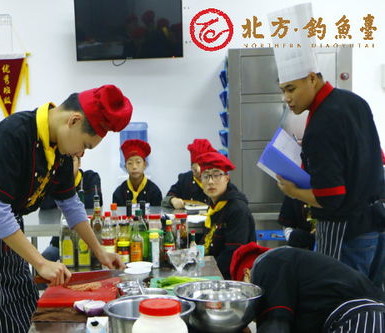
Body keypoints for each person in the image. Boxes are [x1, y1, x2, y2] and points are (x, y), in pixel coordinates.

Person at [0, 84, 132, 333]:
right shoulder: (15, 132)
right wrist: (40, 262)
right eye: (85, 145)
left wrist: (99, 250)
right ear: (73, 120)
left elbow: (70, 204)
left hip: (13, 237)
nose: (81, 152)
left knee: (24, 317)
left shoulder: (58, 150)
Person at [268, 4, 384, 286]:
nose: (287, 98)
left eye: (291, 89)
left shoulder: (321, 124)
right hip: (376, 224)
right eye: (283, 90)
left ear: (312, 78)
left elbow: (331, 197)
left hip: (347, 233)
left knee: (339, 303)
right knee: (371, 304)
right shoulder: (353, 101)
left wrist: (292, 190)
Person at [230, 242, 385, 333]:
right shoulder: (294, 275)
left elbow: (275, 324)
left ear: (247, 274)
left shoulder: (267, 263)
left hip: (360, 316)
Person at [195, 151, 256, 279]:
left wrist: (203, 272)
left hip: (230, 278)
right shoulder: (215, 205)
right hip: (214, 272)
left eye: (217, 175)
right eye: (206, 176)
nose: (211, 182)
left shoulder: (236, 209)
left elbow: (233, 254)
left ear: (227, 179)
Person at [41, 155, 102, 261]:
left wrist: (63, 201)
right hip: (60, 242)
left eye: (72, 161)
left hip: (88, 241)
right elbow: (44, 204)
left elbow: (95, 201)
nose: (67, 165)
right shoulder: (54, 180)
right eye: (63, 161)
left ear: (79, 162)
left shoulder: (90, 177)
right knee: (46, 257)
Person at [162, 138, 216, 209]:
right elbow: (166, 199)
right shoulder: (185, 179)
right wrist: (173, 200)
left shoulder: (217, 181)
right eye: (195, 170)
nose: (199, 174)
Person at [112, 139, 162, 206]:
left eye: (138, 162)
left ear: (145, 165)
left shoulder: (154, 191)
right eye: (130, 163)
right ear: (125, 167)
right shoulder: (119, 193)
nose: (134, 167)